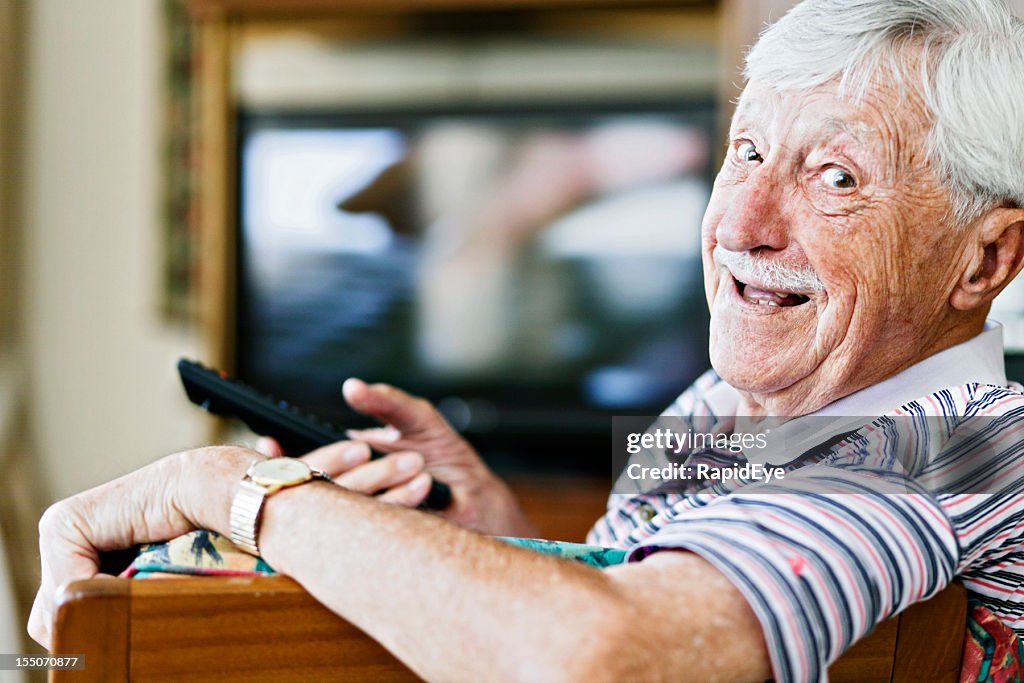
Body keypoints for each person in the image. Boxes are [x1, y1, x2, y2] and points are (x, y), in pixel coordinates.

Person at [29, 1, 1024, 680]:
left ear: (983, 260)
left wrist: (235, 492)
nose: (740, 222)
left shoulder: (966, 438)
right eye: (749, 150)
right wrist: (502, 532)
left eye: (836, 177)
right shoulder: (738, 402)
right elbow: (647, 599)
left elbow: (603, 656)